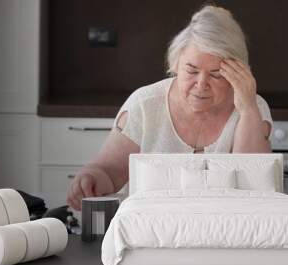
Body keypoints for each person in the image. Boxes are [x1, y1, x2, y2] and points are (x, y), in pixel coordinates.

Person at [67, 5, 273, 210]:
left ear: (237, 75)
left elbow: (254, 189)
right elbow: (109, 173)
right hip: (149, 228)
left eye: (216, 74)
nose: (201, 84)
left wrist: (248, 109)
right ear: (175, 63)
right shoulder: (145, 105)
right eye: (192, 71)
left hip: (226, 229)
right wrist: (91, 177)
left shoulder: (252, 108)